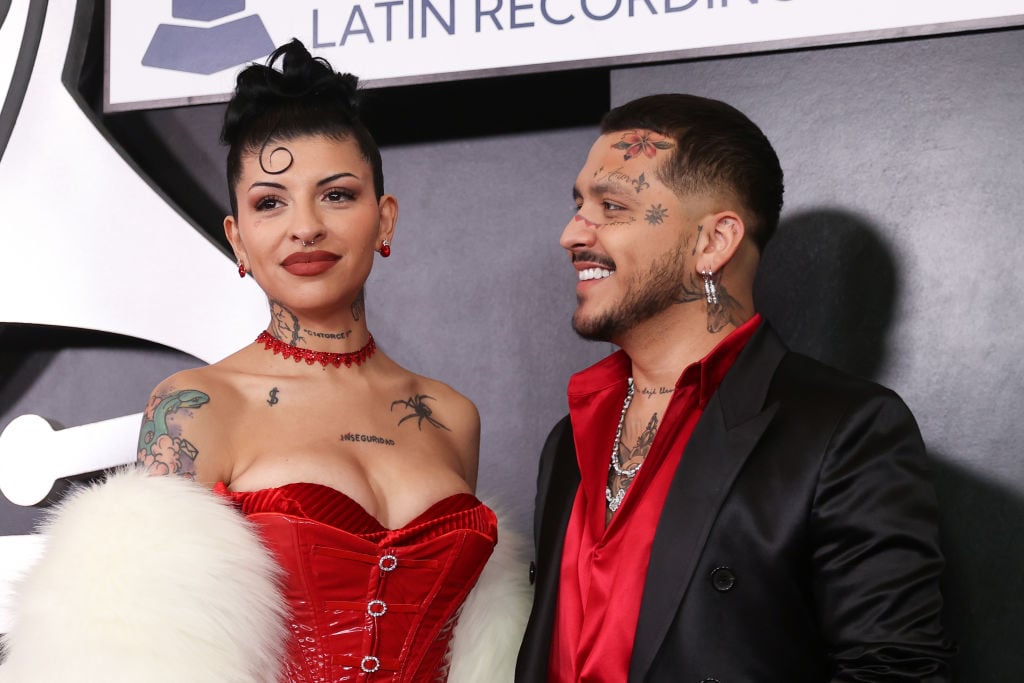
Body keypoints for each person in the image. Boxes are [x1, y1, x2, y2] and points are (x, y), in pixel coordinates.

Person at [0, 40, 530, 683]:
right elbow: (147, 656)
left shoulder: (450, 416)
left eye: (336, 195)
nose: (304, 227)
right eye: (270, 202)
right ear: (238, 239)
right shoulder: (197, 407)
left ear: (384, 219)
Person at [515, 94, 954, 681]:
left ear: (714, 242)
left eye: (612, 206)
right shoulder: (568, 440)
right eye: (578, 205)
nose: (573, 233)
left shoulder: (846, 431)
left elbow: (895, 672)